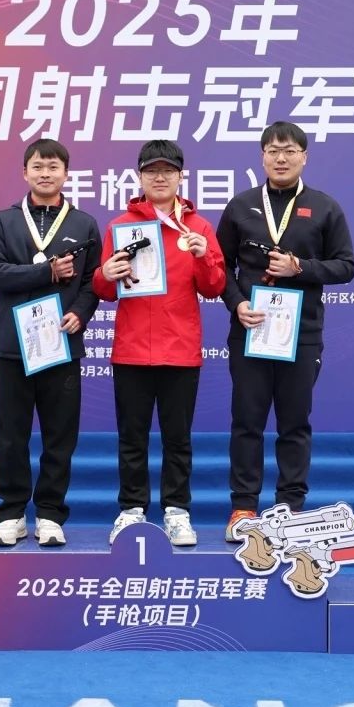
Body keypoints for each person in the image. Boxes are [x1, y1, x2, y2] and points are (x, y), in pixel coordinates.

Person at [216, 121, 354, 541]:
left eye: (290, 151)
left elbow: (346, 266)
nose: (281, 158)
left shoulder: (325, 207)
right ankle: (243, 508)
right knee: (247, 422)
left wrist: (301, 268)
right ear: (262, 157)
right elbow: (219, 268)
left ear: (304, 157)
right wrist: (237, 303)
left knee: (294, 424)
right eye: (273, 151)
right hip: (251, 330)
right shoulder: (241, 206)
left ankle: (289, 510)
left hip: (302, 332)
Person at [93, 140, 226, 546]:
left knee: (177, 439)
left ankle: (177, 511)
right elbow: (104, 290)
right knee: (132, 437)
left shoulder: (199, 228)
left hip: (180, 350)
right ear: (140, 176)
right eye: (152, 170)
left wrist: (203, 256)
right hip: (132, 349)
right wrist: (106, 273)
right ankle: (132, 509)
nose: (160, 177)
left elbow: (215, 287)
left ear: (181, 176)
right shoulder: (120, 226)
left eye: (168, 170)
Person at [0, 138, 101, 547]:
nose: (45, 173)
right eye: (38, 166)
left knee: (59, 435)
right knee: (11, 435)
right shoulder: (3, 221)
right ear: (25, 172)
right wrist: (46, 272)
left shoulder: (83, 224)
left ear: (66, 173)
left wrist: (81, 313)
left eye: (53, 167)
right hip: (14, 344)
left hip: (61, 343)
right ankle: (11, 514)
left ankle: (50, 513)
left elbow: (93, 281)